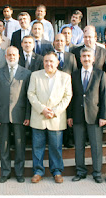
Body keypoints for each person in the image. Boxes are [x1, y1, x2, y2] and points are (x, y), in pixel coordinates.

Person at [28, 52, 72, 184]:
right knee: (37, 147)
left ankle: (57, 171)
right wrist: (42, 109)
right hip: (39, 116)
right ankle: (37, 172)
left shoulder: (65, 77)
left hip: (56, 118)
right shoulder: (35, 75)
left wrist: (54, 111)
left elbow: (67, 96)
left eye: (52, 61)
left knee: (56, 147)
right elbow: (31, 94)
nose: (49, 64)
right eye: (46, 61)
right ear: (43, 62)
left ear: (57, 62)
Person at [67, 48, 106, 183]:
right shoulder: (74, 74)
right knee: (79, 146)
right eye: (83, 56)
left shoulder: (100, 74)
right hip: (78, 116)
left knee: (96, 146)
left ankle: (97, 173)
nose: (86, 59)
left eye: (89, 56)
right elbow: (71, 97)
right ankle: (80, 171)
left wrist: (104, 116)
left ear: (94, 58)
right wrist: (70, 116)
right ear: (80, 59)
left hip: (95, 116)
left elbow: (104, 97)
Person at [0, 46, 31, 183]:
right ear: (5, 56)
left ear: (19, 56)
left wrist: (28, 116)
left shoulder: (26, 73)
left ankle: (19, 173)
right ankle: (5, 172)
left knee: (20, 145)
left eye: (14, 54)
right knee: (4, 145)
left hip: (19, 115)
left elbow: (28, 97)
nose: (11, 57)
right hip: (2, 115)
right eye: (9, 55)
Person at [53, 33, 77, 148]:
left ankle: (68, 140)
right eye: (57, 41)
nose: (59, 43)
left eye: (61, 41)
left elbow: (75, 73)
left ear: (65, 42)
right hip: (53, 91)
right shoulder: (49, 56)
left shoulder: (71, 56)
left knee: (68, 115)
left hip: (67, 90)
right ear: (54, 43)